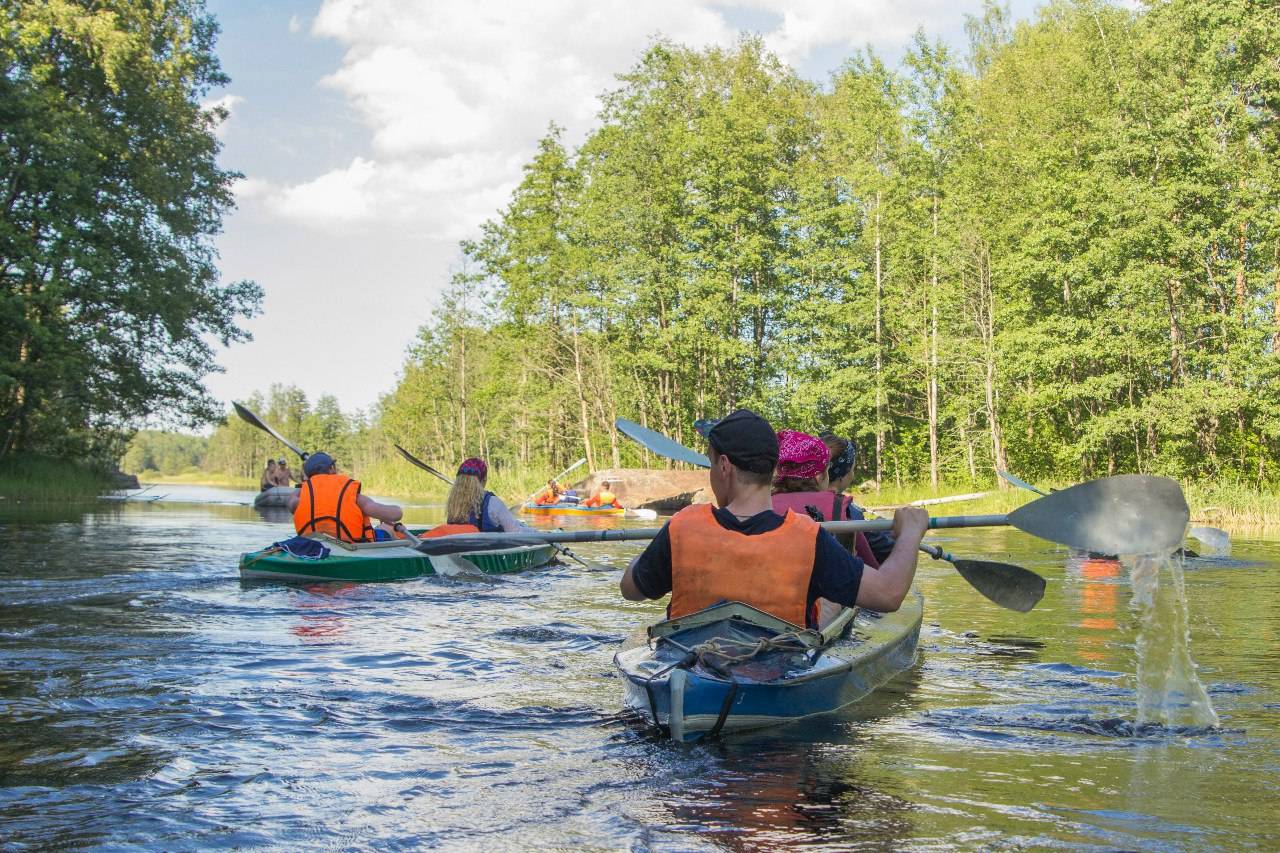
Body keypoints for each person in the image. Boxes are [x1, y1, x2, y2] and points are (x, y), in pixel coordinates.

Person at [620, 409, 929, 627]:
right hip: (779, 671)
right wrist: (911, 534)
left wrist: (653, 554)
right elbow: (888, 594)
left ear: (724, 466)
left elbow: (630, 590)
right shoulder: (808, 539)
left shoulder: (682, 528)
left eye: (711, 465)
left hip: (689, 669)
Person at [287, 452, 405, 542]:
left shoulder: (299, 499)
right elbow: (396, 515)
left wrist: (306, 485)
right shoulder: (352, 494)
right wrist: (389, 514)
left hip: (311, 545)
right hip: (351, 546)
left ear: (308, 476)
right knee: (386, 527)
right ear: (332, 468)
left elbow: (290, 502)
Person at [820, 432, 895, 565]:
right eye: (852, 469)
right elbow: (884, 548)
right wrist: (886, 530)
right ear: (842, 475)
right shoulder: (848, 510)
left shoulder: (803, 500)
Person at [422, 457, 532, 537]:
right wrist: (536, 533)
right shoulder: (492, 503)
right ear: (484, 480)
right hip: (487, 555)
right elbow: (516, 532)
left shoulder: (453, 503)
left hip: (460, 552)